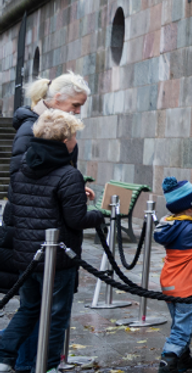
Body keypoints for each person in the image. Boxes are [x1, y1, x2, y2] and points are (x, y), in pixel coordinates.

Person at [0, 110, 104, 373]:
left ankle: (4, 355)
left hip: (26, 257)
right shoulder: (68, 175)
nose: (76, 141)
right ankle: (46, 367)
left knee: (28, 310)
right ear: (65, 140)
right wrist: (100, 215)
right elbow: (76, 219)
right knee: (56, 318)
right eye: (75, 136)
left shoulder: (24, 167)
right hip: (57, 259)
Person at [154, 177, 192, 373]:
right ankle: (169, 359)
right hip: (186, 285)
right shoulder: (190, 230)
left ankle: (183, 358)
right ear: (190, 208)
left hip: (170, 283)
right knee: (182, 328)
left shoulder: (171, 224)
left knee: (179, 323)